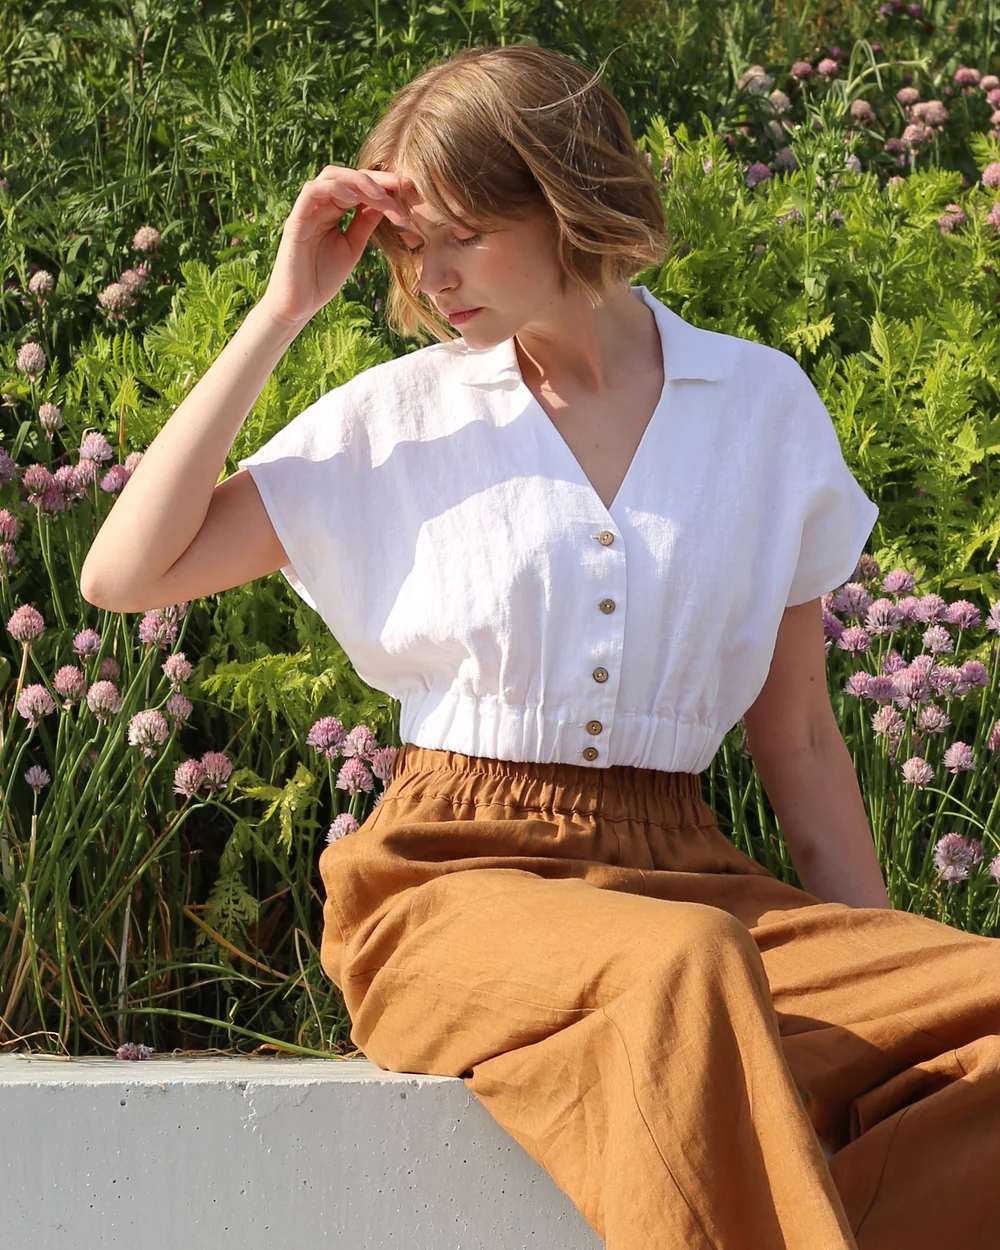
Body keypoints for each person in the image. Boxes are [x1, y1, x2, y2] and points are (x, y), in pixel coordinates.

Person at [81, 42, 1000, 1250]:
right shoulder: (401, 416)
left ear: (566, 195)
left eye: (460, 232)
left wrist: (879, 995)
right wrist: (283, 308)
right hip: (448, 884)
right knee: (683, 969)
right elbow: (121, 572)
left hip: (694, 876)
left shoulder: (761, 405)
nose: (432, 274)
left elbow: (804, 738)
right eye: (412, 246)